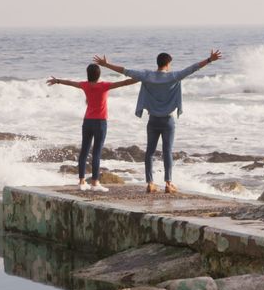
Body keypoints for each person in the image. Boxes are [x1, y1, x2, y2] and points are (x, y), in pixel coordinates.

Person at [93, 50, 223, 194]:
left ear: (158, 63)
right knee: (167, 151)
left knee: (149, 152)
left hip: (153, 120)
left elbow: (125, 71)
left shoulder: (147, 76)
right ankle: (168, 183)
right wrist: (210, 60)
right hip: (167, 121)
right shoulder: (174, 76)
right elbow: (193, 68)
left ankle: (150, 183)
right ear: (168, 64)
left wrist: (106, 65)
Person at [47, 64, 138, 192]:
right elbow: (123, 83)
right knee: (96, 152)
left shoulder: (85, 85)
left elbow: (70, 83)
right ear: (99, 74)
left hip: (87, 121)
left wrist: (57, 81)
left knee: (84, 151)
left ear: (88, 74)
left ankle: (81, 181)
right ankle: (95, 182)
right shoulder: (104, 86)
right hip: (100, 123)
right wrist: (140, 78)